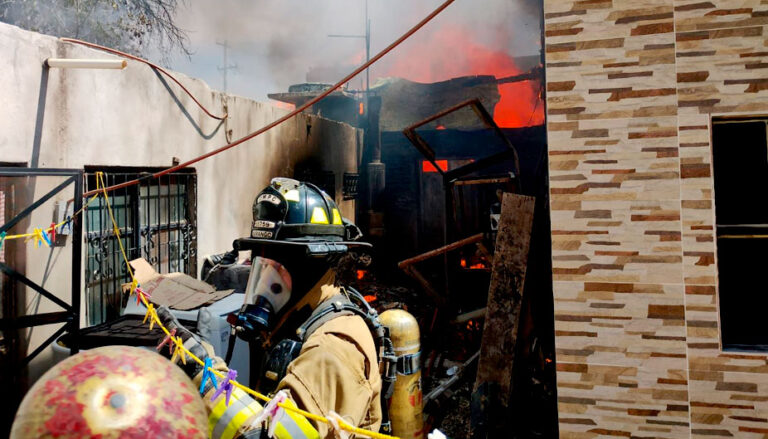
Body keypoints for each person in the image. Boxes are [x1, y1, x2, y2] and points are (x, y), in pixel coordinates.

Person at [158, 177, 392, 439]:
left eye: (275, 266)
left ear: (311, 266)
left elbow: (267, 436)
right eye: (260, 265)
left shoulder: (329, 349)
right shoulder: (306, 316)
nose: (265, 281)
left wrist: (205, 378)